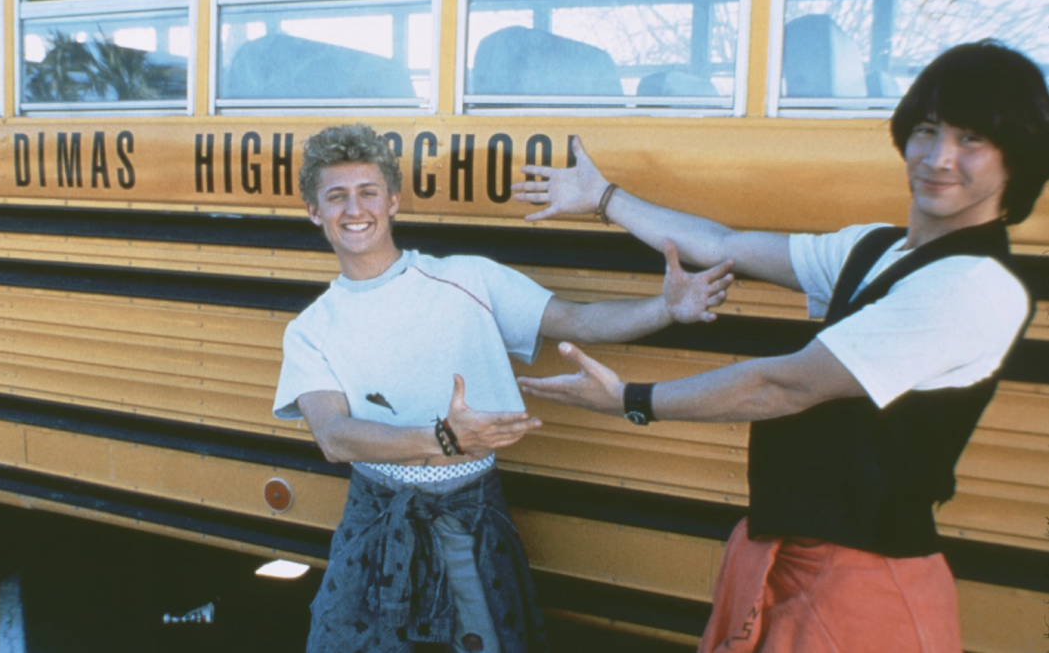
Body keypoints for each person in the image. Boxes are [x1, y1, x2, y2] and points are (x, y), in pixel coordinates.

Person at [510, 40, 1049, 653]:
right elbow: (722, 244)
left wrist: (630, 399)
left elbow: (785, 385)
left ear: (1017, 161)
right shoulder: (876, 248)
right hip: (788, 553)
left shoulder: (972, 287)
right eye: (928, 130)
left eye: (972, 139)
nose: (939, 157)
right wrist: (604, 199)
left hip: (865, 584)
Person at [272, 123, 733, 653]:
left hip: (471, 514)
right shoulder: (311, 327)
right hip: (377, 520)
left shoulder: (470, 278)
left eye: (368, 192)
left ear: (393, 201)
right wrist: (444, 437)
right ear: (314, 211)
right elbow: (335, 436)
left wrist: (667, 309)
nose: (355, 209)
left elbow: (577, 321)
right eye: (336, 197)